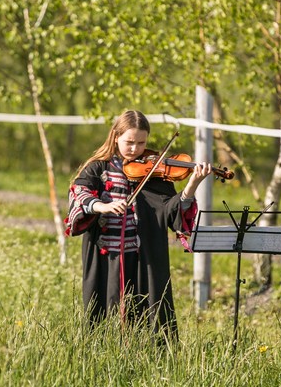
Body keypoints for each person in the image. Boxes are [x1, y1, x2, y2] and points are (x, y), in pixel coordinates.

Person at [65, 110, 213, 340]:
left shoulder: (155, 172)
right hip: (106, 257)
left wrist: (192, 184)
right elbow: (79, 192)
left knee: (145, 313)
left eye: (141, 143)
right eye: (129, 142)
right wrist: (102, 206)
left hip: (142, 258)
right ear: (116, 137)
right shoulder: (98, 168)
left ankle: (146, 356)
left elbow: (170, 212)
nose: (135, 149)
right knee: (104, 314)